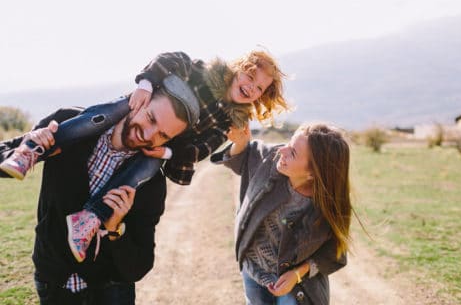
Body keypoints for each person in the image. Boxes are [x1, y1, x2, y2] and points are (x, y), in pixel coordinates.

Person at [0, 50, 289, 263]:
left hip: (162, 146)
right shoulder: (201, 71)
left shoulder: (228, 121)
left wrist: (168, 151)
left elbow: (202, 149)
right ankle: (31, 151)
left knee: (142, 172)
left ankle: (91, 217)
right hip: (134, 104)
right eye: (250, 76)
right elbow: (166, 61)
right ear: (238, 69)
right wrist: (147, 85)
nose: (251, 87)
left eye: (259, 88)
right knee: (96, 118)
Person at [0, 84, 199, 304]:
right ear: (137, 101)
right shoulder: (69, 123)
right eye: (151, 118)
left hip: (111, 292)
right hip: (53, 283)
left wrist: (115, 229)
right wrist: (27, 146)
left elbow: (139, 267)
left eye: (162, 134)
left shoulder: (151, 182)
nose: (148, 134)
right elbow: (4, 155)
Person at [211, 123, 353, 305]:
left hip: (296, 287)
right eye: (289, 143)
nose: (282, 150)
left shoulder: (328, 204)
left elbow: (335, 253)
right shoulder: (269, 158)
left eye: (293, 153)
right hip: (252, 271)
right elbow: (243, 157)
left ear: (313, 174)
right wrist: (239, 143)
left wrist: (297, 274)